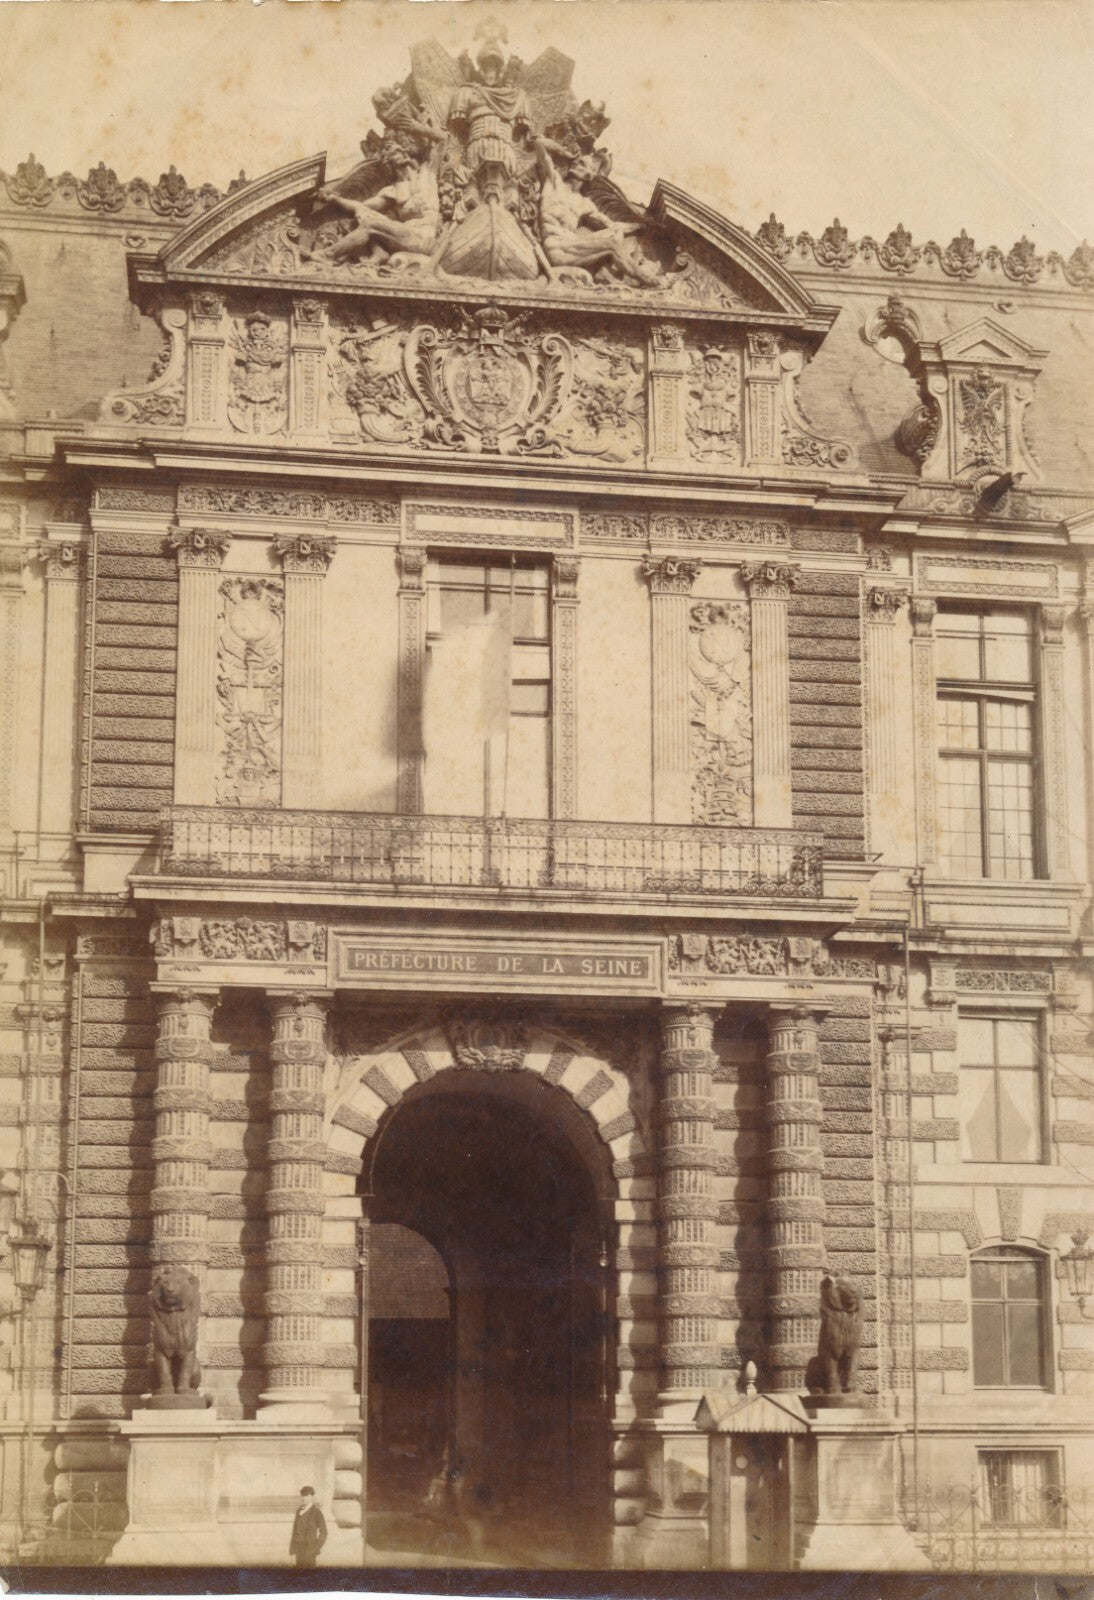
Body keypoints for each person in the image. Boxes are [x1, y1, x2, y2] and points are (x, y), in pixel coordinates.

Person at [289, 1485, 327, 1568]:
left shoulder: (317, 1513)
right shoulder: (298, 1511)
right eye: (303, 1495)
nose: (304, 1498)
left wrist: (317, 1547)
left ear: (312, 1497)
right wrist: (293, 1546)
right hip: (298, 1548)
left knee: (309, 1576)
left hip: (310, 1550)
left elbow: (324, 1532)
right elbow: (295, 1530)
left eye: (307, 1496)